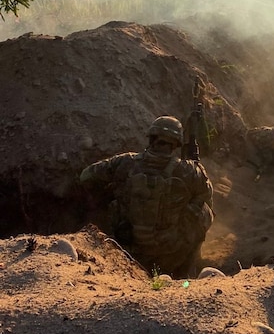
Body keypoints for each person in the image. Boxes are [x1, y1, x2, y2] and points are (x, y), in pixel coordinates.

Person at [79, 116, 214, 278]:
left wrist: (112, 193)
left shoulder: (125, 162)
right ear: (176, 143)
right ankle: (190, 266)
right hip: (172, 253)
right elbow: (206, 197)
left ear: (151, 138)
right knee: (205, 209)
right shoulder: (190, 170)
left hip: (128, 249)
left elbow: (85, 177)